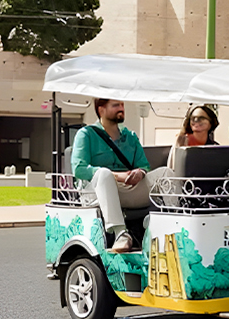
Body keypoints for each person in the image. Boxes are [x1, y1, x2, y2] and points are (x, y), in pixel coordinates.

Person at [71, 98, 169, 253]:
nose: (121, 108)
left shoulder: (130, 136)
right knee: (103, 174)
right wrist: (117, 176)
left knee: (166, 173)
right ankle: (121, 234)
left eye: (122, 105)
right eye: (116, 105)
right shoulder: (86, 134)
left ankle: (175, 224)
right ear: (101, 109)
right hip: (96, 191)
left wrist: (140, 173)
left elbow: (144, 165)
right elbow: (79, 169)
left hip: (128, 189)